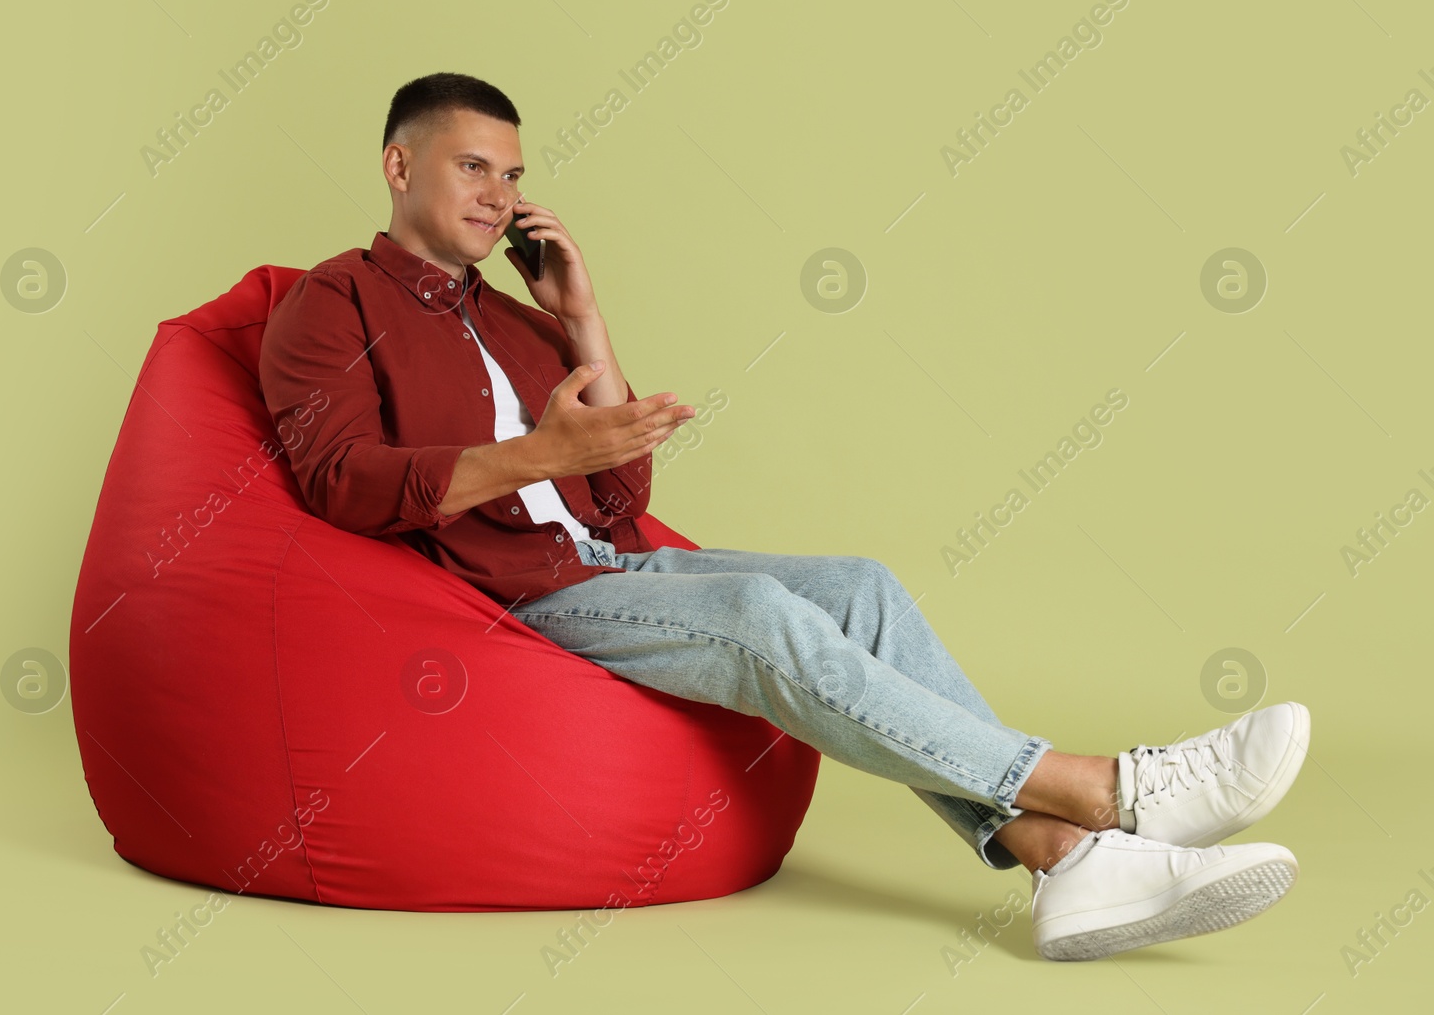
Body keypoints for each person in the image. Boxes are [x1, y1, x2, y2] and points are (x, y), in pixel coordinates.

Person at [257, 72, 1311, 961]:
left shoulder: (516, 320)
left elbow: (620, 499)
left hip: (595, 562)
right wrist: (541, 453)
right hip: (512, 596)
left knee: (861, 584)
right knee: (761, 611)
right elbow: (338, 480)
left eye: (515, 174)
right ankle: (1104, 791)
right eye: (472, 166)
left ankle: (1064, 860)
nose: (499, 194)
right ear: (399, 168)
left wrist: (581, 316)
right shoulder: (332, 300)